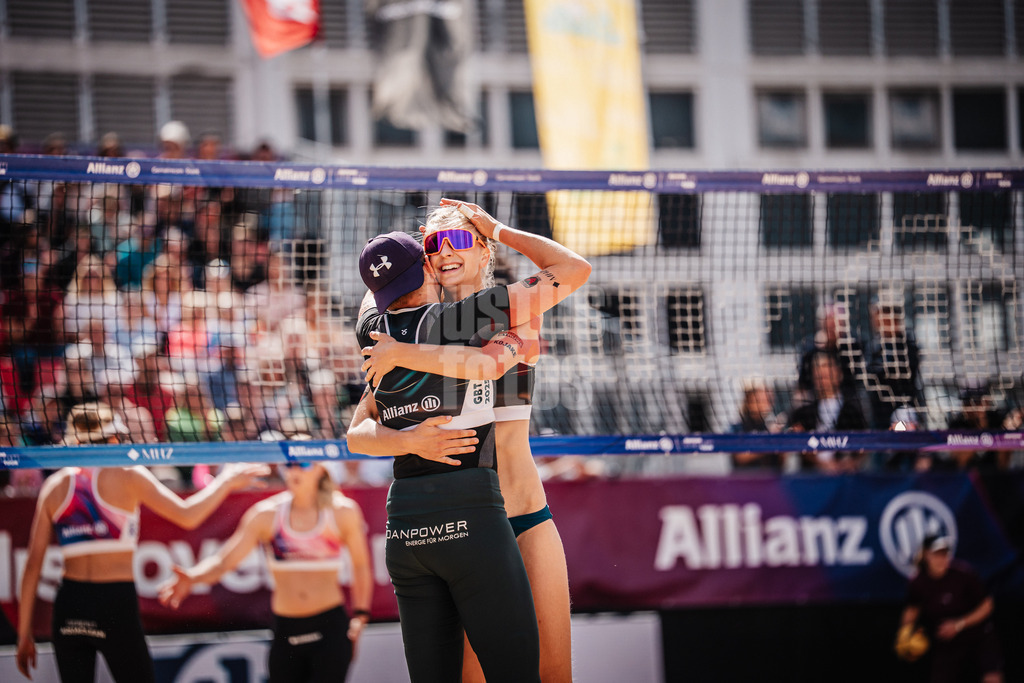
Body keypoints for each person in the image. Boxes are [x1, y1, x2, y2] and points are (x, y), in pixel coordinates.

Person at [347, 204, 591, 683]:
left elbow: (572, 270)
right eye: (433, 245)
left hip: (523, 512)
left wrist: (495, 226)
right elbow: (360, 433)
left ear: (485, 252)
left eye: (459, 240)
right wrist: (411, 440)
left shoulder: (511, 312)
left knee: (554, 673)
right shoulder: (405, 331)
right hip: (467, 521)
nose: (445, 252)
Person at [16, 401, 268, 683]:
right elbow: (188, 516)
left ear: (74, 441)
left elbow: (33, 566)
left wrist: (24, 633)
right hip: (113, 602)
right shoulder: (127, 474)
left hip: (69, 605)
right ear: (113, 438)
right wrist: (228, 481)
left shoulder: (55, 486)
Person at [158, 459, 373, 683]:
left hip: (329, 628)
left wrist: (360, 616)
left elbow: (361, 565)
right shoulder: (266, 514)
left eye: (304, 463)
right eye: (289, 464)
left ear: (321, 469)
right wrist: (193, 577)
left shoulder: (342, 512)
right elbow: (224, 562)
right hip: (286, 627)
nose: (295, 470)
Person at [898, 533, 1003, 683]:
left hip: (979, 636)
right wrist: (905, 632)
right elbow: (912, 609)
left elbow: (987, 605)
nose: (942, 559)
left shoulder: (963, 574)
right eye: (937, 554)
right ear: (926, 554)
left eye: (945, 554)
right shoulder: (918, 582)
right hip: (948, 641)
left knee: (992, 678)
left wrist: (959, 624)